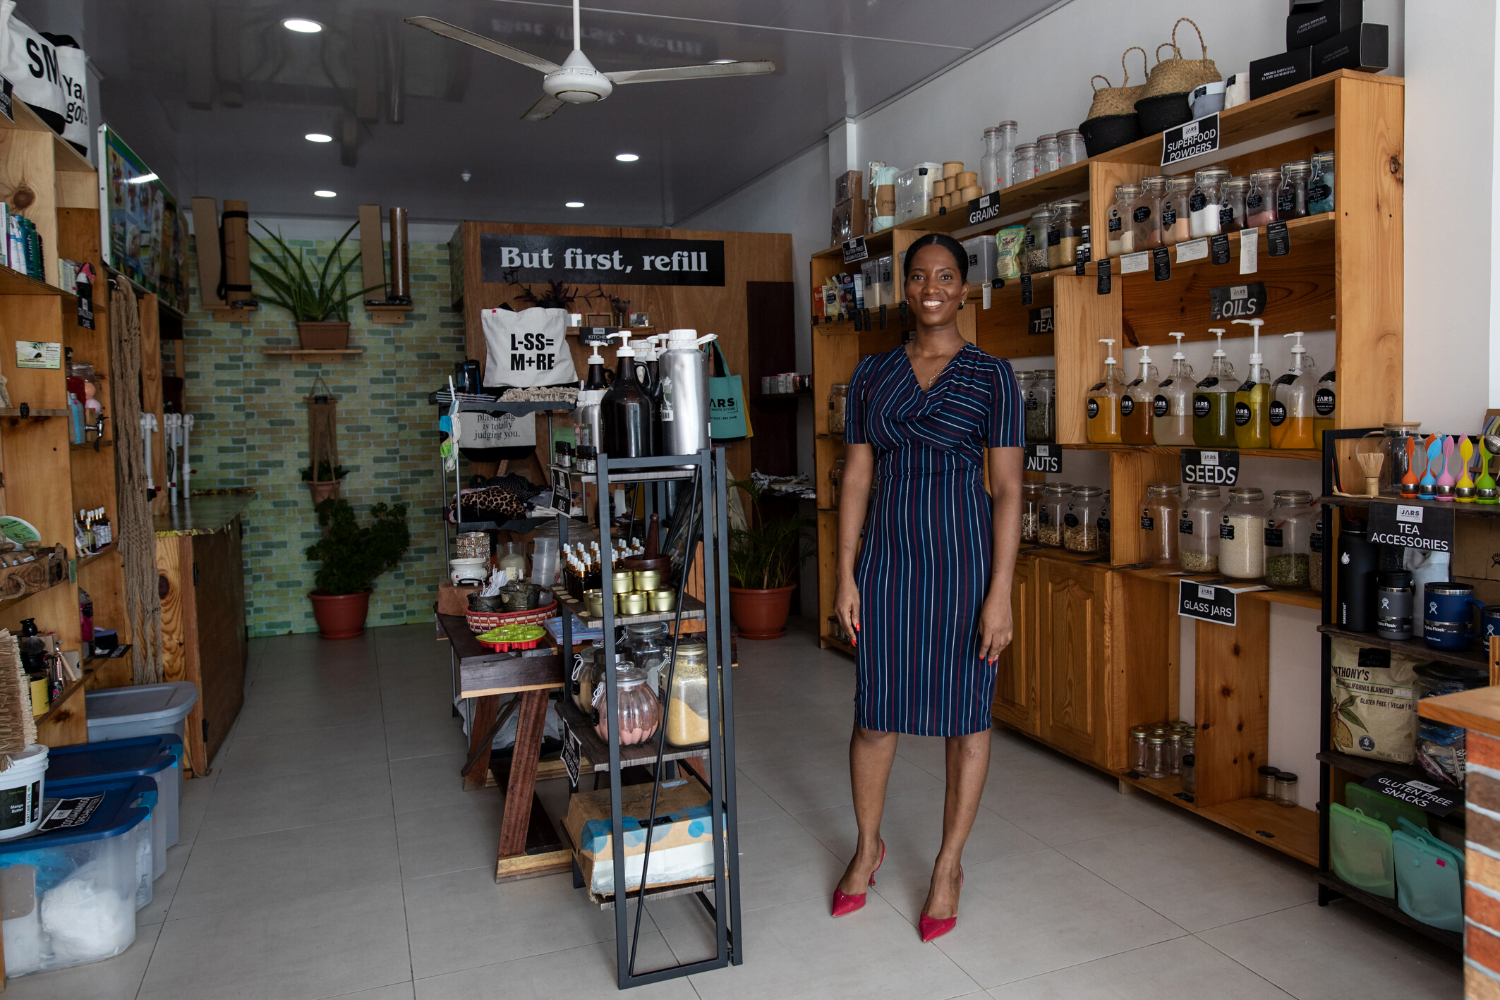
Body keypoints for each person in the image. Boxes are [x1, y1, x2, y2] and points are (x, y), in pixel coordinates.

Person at [830, 232, 1024, 942]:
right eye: (918, 276)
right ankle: (867, 846)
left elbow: (1007, 491)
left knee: (967, 718)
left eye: (945, 276)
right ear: (904, 289)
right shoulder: (872, 374)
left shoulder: (993, 377)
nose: (931, 286)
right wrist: (845, 572)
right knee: (875, 714)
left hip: (964, 563)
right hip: (888, 561)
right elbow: (855, 478)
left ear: (964, 289)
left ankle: (948, 866)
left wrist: (999, 593)